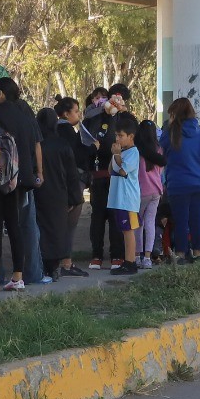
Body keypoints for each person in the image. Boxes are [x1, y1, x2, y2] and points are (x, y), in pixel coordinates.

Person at [0, 76, 40, 291]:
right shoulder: (25, 117)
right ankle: (18, 277)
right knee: (16, 226)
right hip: (19, 178)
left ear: (1, 94)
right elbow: (33, 147)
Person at [161, 98, 200, 264]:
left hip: (179, 183)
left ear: (174, 114)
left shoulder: (170, 133)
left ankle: (181, 254)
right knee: (198, 218)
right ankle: (197, 253)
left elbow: (163, 153)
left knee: (181, 220)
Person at [35, 107, 81, 280]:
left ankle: (40, 264)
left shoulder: (37, 144)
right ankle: (53, 266)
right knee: (57, 230)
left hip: (39, 192)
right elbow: (72, 174)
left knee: (41, 229)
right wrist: (74, 198)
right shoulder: (62, 144)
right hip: (59, 194)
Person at [83, 87, 123, 270]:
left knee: (115, 217)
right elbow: (84, 147)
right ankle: (96, 255)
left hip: (116, 176)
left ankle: (117, 255)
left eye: (103, 97)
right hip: (97, 177)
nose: (100, 101)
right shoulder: (88, 120)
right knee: (98, 217)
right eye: (96, 98)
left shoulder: (119, 117)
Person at [54, 96, 92, 277]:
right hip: (73, 181)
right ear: (66, 114)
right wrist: (93, 147)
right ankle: (66, 263)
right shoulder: (67, 132)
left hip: (59, 182)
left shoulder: (55, 130)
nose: (78, 115)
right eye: (76, 111)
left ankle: (60, 261)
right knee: (70, 224)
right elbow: (76, 155)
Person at [108, 116, 142, 275]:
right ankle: (127, 260)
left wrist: (117, 155)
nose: (118, 139)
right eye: (116, 136)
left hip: (128, 199)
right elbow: (111, 170)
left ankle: (131, 262)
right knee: (124, 229)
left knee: (129, 230)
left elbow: (122, 171)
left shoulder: (133, 152)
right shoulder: (121, 152)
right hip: (119, 198)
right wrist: (114, 154)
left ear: (131, 136)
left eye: (121, 136)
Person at [135, 119, 166, 267]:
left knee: (138, 224)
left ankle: (137, 255)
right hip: (156, 191)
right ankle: (147, 258)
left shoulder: (137, 150)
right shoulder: (159, 149)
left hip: (141, 191)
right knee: (150, 223)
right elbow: (161, 171)